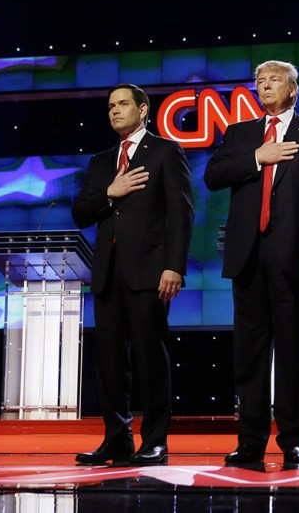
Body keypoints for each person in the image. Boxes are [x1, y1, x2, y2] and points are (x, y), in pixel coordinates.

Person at [204, 60, 299, 469]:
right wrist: (257, 157)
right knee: (249, 355)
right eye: (259, 81)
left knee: (293, 352)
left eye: (274, 80)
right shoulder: (241, 133)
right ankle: (249, 443)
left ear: (294, 89)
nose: (265, 86)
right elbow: (213, 175)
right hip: (248, 257)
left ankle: (293, 440)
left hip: (296, 257)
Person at [72, 83, 194, 465]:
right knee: (108, 361)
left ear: (143, 110)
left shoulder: (165, 150)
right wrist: (111, 191)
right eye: (110, 106)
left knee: (150, 357)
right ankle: (117, 438)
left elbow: (181, 212)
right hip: (107, 273)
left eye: (123, 104)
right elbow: (81, 212)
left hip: (149, 271)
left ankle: (155, 440)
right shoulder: (101, 160)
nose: (115, 111)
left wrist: (174, 265)